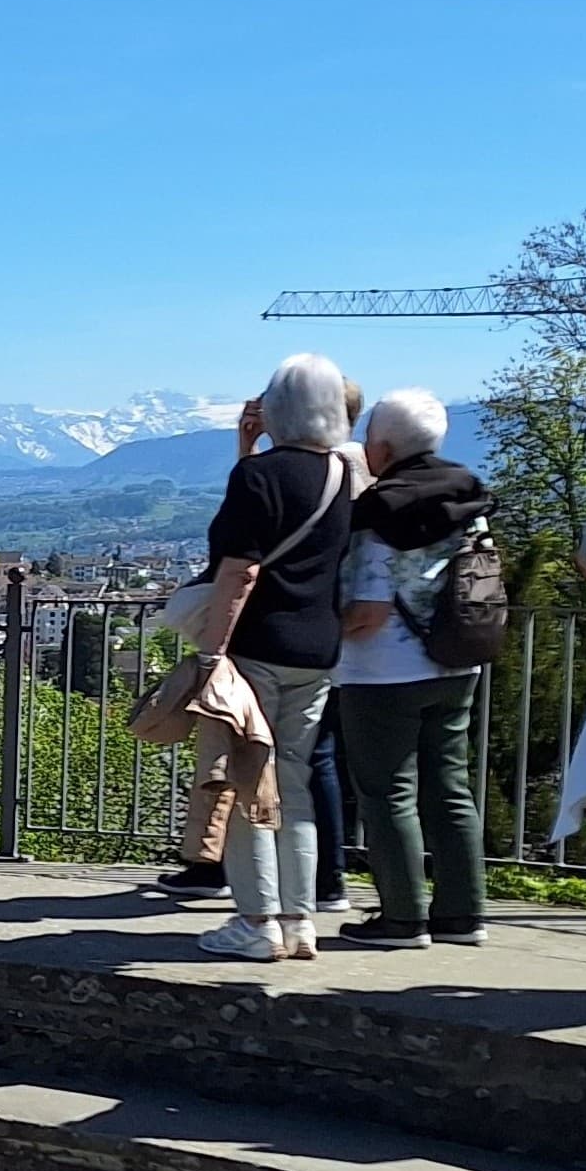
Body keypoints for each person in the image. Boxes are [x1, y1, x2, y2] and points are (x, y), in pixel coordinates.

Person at [170, 379, 372, 909]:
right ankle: (302, 916)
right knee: (296, 786)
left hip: (257, 648)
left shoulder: (257, 476)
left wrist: (212, 654)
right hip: (318, 649)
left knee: (246, 786)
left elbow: (239, 569)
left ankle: (256, 922)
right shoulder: (342, 472)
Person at [337, 390, 492, 948]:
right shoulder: (468, 499)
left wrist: (329, 631)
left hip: (383, 673)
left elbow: (369, 611)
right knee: (450, 787)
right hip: (457, 662)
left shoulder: (381, 512)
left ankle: (403, 917)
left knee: (386, 792)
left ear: (380, 446)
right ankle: (464, 912)